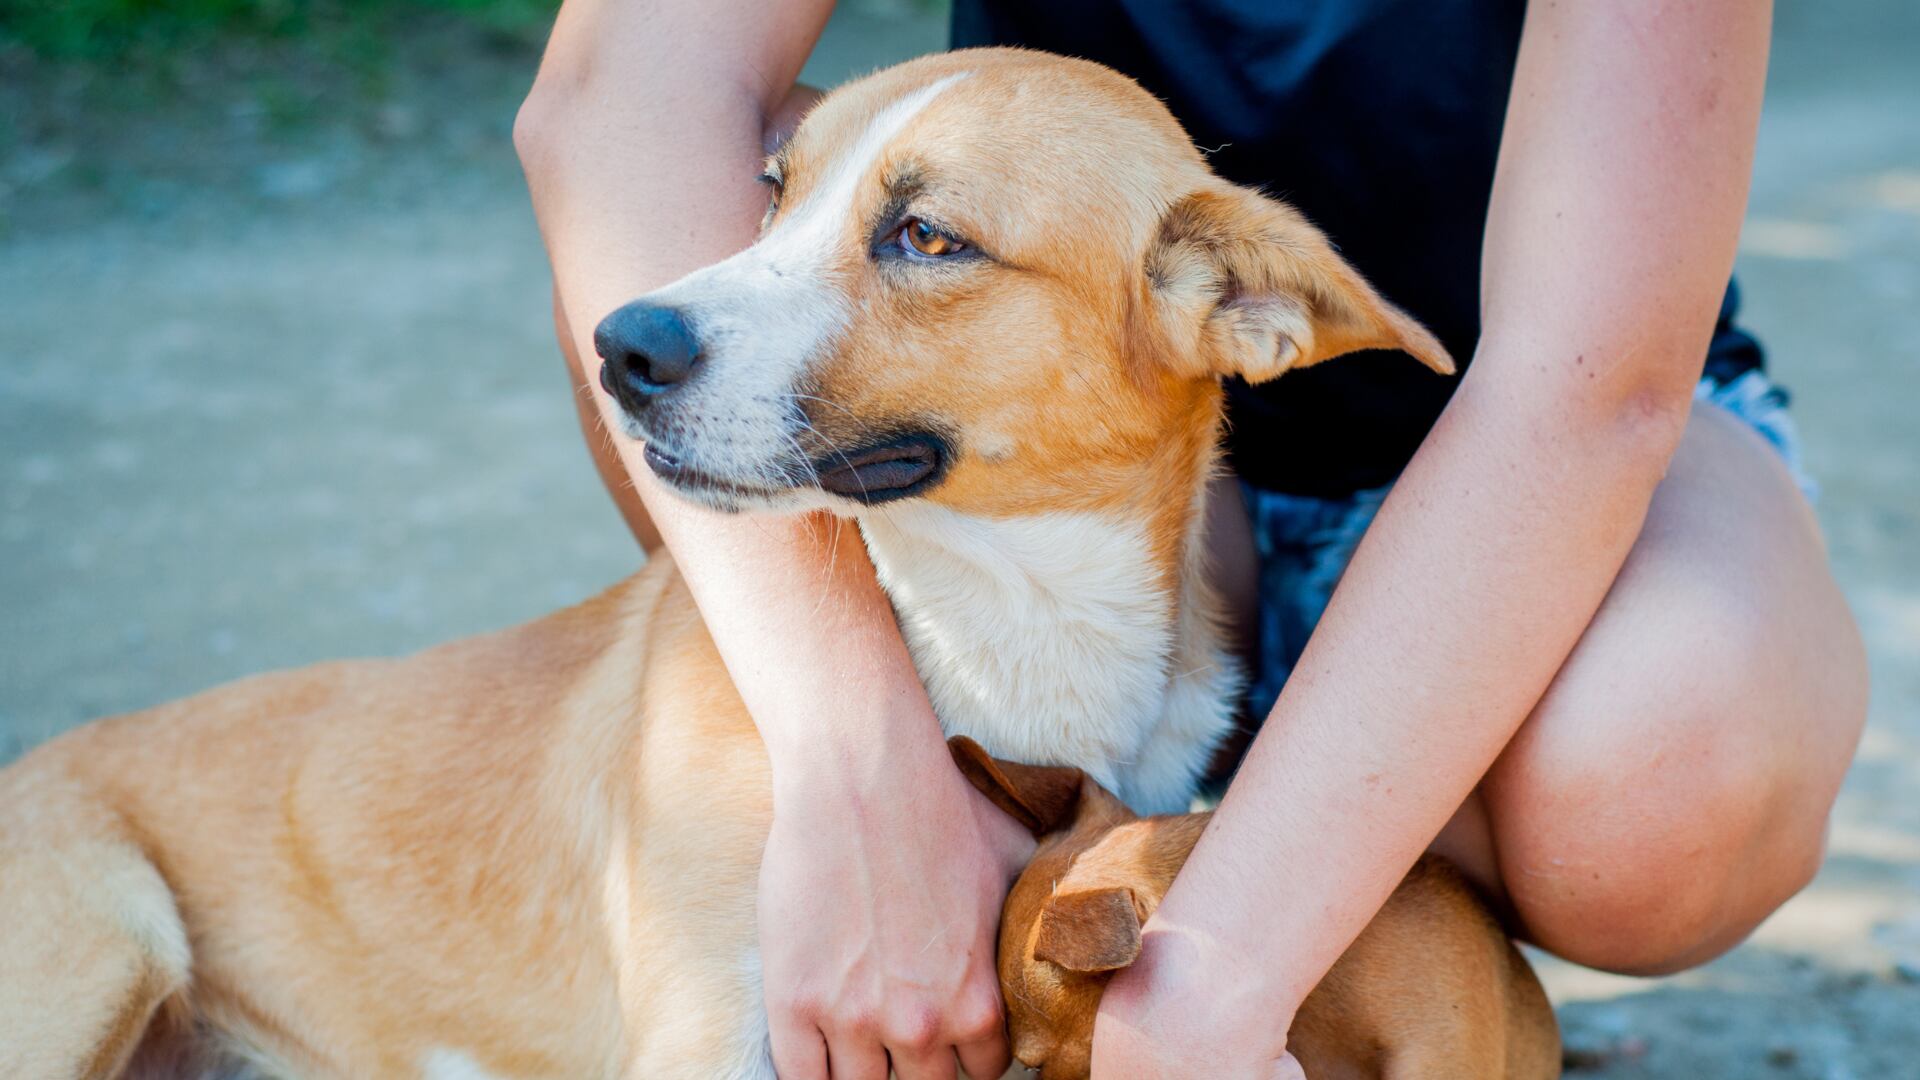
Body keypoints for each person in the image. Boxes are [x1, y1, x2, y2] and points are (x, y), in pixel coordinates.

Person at [513, 0, 1867, 1075]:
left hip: (1526, 430)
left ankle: (1289, 919)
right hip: (1119, 430)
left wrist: (1216, 972)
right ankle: (1007, 844)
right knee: (663, 186)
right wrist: (861, 769)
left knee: (1650, 788)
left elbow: (1587, 390)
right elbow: (619, 100)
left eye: (913, 233)